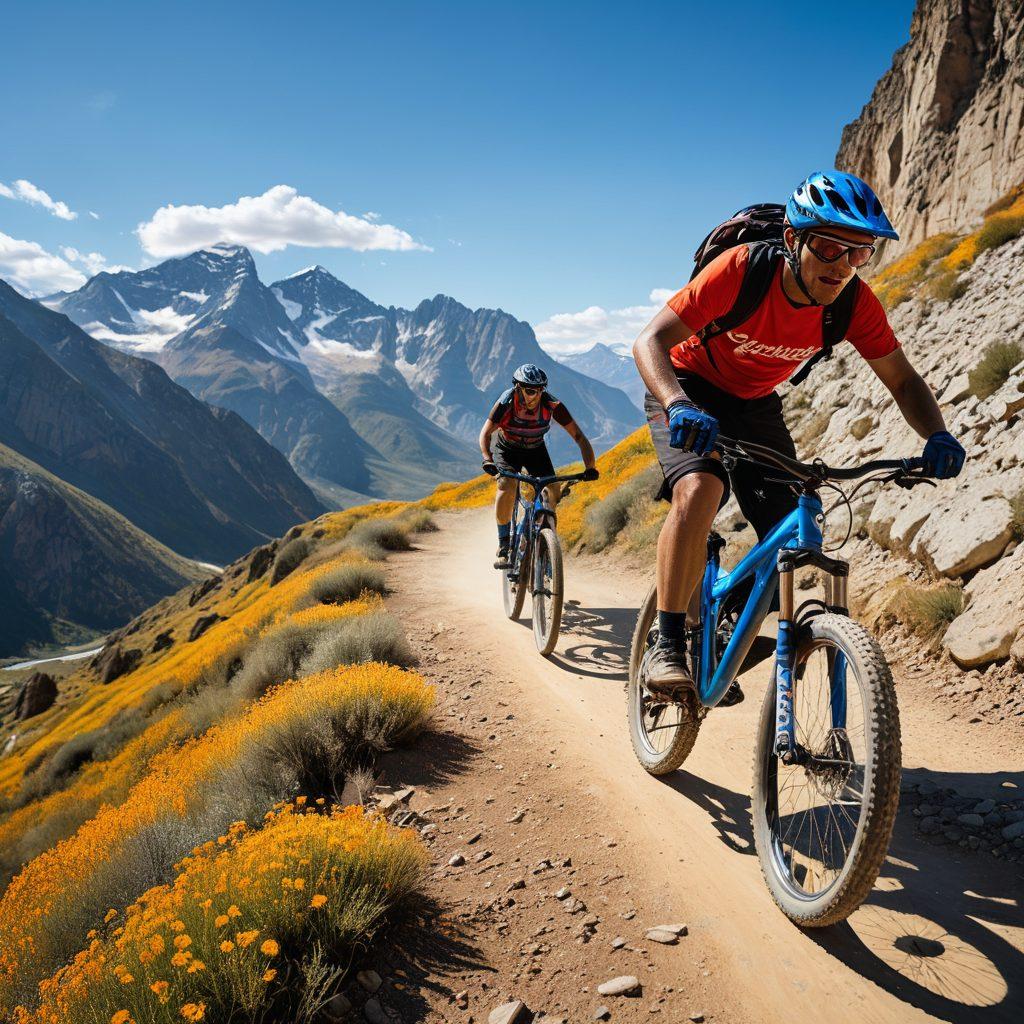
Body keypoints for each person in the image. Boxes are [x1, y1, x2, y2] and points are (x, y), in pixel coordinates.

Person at [632, 170, 966, 699]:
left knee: (787, 536)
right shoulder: (742, 270)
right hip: (687, 385)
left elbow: (902, 380)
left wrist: (938, 436)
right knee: (700, 490)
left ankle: (719, 633)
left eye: (860, 253)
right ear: (794, 239)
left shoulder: (853, 304)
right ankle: (669, 642)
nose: (843, 266)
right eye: (831, 247)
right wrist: (676, 404)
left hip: (754, 403)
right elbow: (649, 341)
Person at [480, 363, 599, 569]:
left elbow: (579, 436)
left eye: (540, 389)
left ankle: (545, 540)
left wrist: (590, 466)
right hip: (507, 449)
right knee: (507, 485)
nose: (535, 395)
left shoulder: (552, 405)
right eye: (530, 390)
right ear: (518, 387)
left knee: (553, 490)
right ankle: (504, 544)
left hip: (535, 449)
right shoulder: (506, 403)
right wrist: (487, 458)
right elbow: (486, 433)